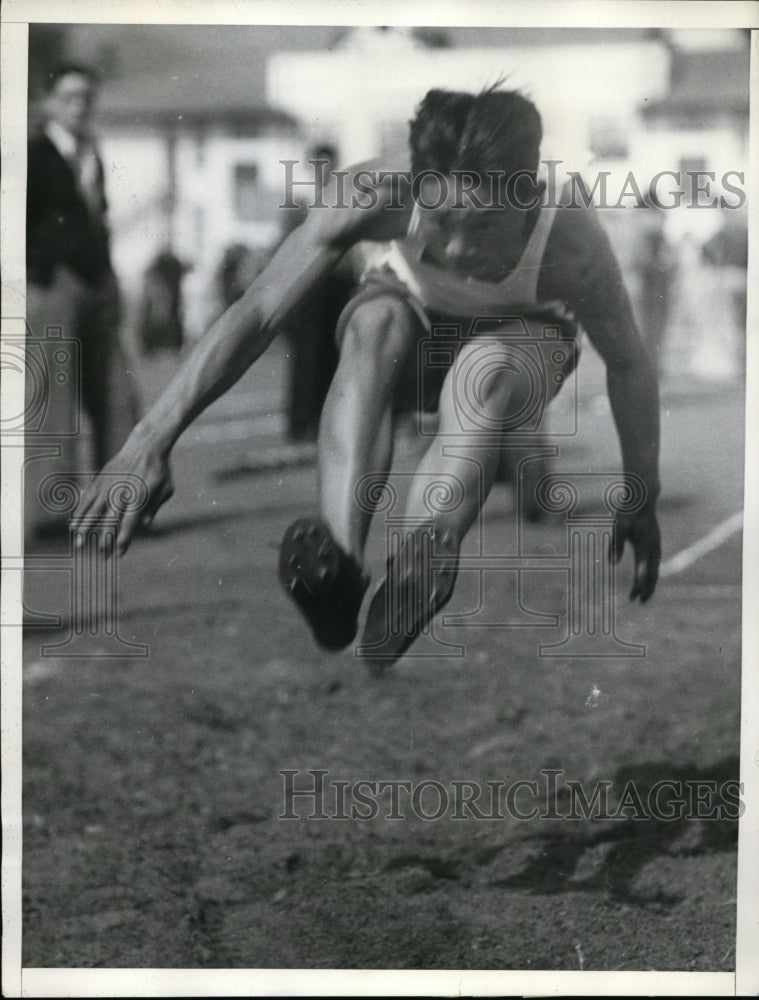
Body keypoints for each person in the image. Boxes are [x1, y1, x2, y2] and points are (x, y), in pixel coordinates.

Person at [74, 87, 661, 668]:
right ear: (417, 188)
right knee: (372, 324)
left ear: (528, 195)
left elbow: (630, 364)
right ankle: (340, 570)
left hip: (522, 336)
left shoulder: (574, 243)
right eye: (439, 221)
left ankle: (426, 553)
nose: (456, 250)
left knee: (485, 373)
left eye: (482, 226)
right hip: (412, 320)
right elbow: (258, 310)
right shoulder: (372, 193)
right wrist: (150, 438)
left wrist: (641, 493)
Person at [26, 62, 140, 539]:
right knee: (53, 398)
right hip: (56, 282)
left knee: (116, 393)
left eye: (86, 97)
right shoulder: (33, 153)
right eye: (69, 97)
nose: (79, 106)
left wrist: (111, 278)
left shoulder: (92, 151)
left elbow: (100, 218)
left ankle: (122, 506)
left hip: (96, 282)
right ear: (49, 101)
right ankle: (52, 513)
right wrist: (37, 276)